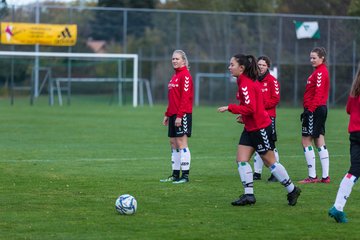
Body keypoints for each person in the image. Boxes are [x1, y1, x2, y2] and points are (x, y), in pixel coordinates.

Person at [217, 53, 301, 206]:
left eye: (232, 65)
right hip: (250, 127)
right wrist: (244, 116)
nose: (229, 67)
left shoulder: (245, 84)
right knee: (241, 160)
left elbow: (250, 107)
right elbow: (254, 105)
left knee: (270, 162)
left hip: (260, 127)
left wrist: (230, 108)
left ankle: (292, 189)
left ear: (241, 68)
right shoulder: (244, 81)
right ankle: (249, 195)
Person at [328, 64, 360, 223]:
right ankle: (337, 207)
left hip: (355, 134)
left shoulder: (355, 90)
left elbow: (349, 110)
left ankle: (338, 208)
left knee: (354, 171)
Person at [160, 50, 193, 184]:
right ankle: (175, 174)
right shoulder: (174, 76)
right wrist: (167, 115)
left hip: (182, 114)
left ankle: (184, 176)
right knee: (173, 143)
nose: (174, 61)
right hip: (173, 114)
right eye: (173, 59)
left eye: (177, 59)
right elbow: (172, 99)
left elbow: (185, 98)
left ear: (184, 61)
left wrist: (179, 116)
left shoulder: (185, 76)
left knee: (181, 143)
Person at [299, 47, 330, 184]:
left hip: (315, 109)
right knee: (319, 141)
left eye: (314, 58)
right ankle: (325, 177)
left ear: (322, 58)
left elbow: (318, 94)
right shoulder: (319, 71)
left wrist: (309, 110)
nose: (311, 60)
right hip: (318, 109)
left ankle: (312, 177)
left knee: (306, 141)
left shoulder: (320, 73)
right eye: (310, 58)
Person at [253, 56, 281, 182]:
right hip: (256, 117)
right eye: (259, 64)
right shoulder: (254, 80)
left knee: (270, 144)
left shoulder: (272, 81)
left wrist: (260, 106)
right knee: (257, 143)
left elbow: (275, 99)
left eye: (263, 65)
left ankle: (276, 173)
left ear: (268, 66)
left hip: (269, 117)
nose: (260, 67)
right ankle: (257, 173)